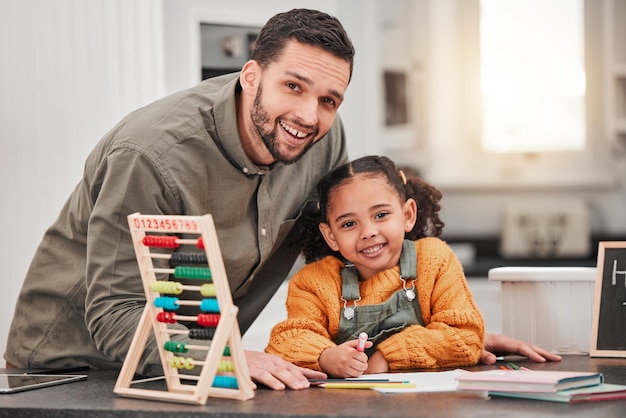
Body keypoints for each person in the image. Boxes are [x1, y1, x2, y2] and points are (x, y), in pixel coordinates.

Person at [4, 8, 558, 391]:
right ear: (252, 76)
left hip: (203, 372)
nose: (310, 116)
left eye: (329, 99)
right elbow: (115, 312)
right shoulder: (152, 156)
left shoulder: (322, 141)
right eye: (293, 86)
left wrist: (456, 335)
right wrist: (224, 357)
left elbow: (350, 258)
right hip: (70, 370)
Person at [266, 155, 485, 376]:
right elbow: (287, 342)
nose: (368, 232)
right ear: (330, 235)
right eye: (349, 223)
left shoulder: (434, 260)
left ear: (407, 215)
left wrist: (387, 356)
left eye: (380, 215)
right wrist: (324, 356)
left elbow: (465, 337)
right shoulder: (312, 283)